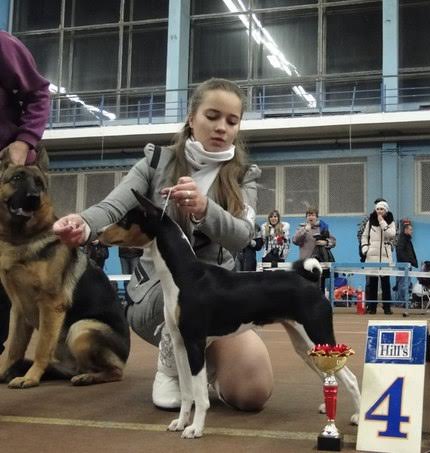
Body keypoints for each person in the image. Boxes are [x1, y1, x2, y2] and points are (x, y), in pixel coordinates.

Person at [52, 78, 273, 412]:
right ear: (191, 117)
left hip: (218, 296)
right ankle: (170, 369)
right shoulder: (156, 162)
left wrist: (205, 209)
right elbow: (112, 207)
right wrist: (81, 224)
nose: (221, 127)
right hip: (157, 293)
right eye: (212, 116)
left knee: (251, 393)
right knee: (186, 294)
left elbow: (242, 235)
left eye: (232, 121)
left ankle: (204, 367)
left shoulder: (244, 176)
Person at [0, 31, 51, 356]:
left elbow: (38, 93)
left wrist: (24, 140)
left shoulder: (3, 45)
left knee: (15, 258)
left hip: (13, 162)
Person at [360, 200, 396, 315]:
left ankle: (387, 307)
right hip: (372, 256)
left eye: (382, 209)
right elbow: (364, 236)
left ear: (386, 210)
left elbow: (391, 234)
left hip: (385, 256)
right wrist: (365, 248)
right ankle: (372, 307)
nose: (379, 211)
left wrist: (382, 222)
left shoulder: (390, 221)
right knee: (373, 283)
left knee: (386, 283)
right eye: (378, 209)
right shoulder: (370, 221)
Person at [292, 206, 336, 292]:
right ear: (306, 217)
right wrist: (305, 230)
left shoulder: (322, 227)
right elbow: (295, 240)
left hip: (319, 264)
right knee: (305, 289)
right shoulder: (301, 228)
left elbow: (333, 241)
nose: (310, 217)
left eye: (313, 215)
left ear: (316, 217)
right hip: (305, 264)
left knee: (319, 290)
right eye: (309, 215)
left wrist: (325, 242)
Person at [394, 219, 418, 305]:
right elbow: (400, 252)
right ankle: (402, 302)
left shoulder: (406, 240)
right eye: (410, 229)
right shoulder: (403, 240)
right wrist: (408, 262)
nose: (412, 231)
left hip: (406, 265)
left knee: (404, 284)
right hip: (404, 266)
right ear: (405, 230)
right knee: (404, 284)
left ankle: (402, 302)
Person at [356, 197, 387, 263]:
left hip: (384, 255)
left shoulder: (389, 220)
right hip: (370, 254)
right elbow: (361, 235)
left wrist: (389, 247)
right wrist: (365, 248)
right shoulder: (368, 219)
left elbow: (394, 236)